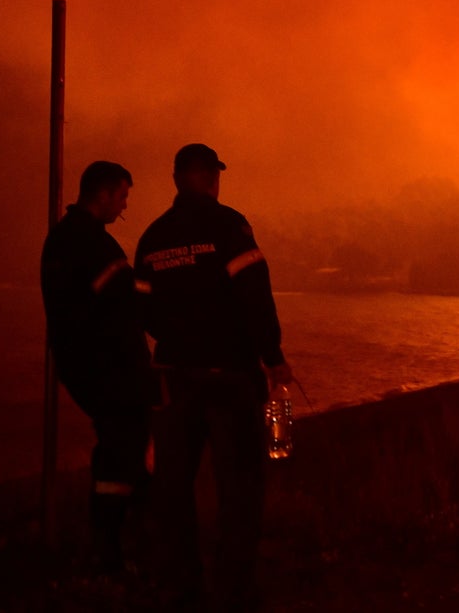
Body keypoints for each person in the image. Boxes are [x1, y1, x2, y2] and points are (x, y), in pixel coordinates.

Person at [135, 143, 292, 612]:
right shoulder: (229, 227)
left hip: (174, 375)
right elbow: (254, 294)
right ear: (210, 177)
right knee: (239, 487)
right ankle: (235, 591)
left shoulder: (153, 237)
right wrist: (272, 356)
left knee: (173, 488)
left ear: (177, 179)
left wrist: (177, 336)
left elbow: (142, 307)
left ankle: (182, 587)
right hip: (230, 375)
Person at [40, 160, 153, 571]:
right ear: (103, 194)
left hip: (83, 368)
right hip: (113, 371)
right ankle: (115, 551)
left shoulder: (58, 242)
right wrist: (154, 286)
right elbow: (127, 301)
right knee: (125, 455)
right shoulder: (94, 244)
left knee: (117, 451)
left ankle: (115, 547)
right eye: (122, 196)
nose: (123, 207)